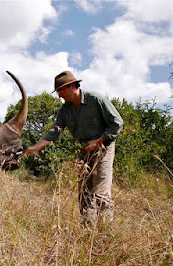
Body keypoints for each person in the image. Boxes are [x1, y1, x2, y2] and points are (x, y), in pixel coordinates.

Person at [24, 71, 123, 227]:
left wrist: (97, 142)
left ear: (71, 86)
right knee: (84, 192)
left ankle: (105, 234)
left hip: (104, 146)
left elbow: (117, 123)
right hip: (84, 149)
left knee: (100, 193)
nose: (59, 95)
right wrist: (32, 149)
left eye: (60, 91)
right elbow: (52, 134)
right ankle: (87, 230)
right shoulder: (65, 110)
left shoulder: (96, 99)